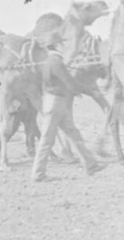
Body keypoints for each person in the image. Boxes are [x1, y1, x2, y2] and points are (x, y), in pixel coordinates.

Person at [29, 15, 104, 182]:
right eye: (62, 43)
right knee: (47, 140)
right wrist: (85, 89)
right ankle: (37, 174)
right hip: (56, 103)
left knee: (74, 134)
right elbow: (69, 82)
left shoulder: (49, 61)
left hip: (55, 103)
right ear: (57, 45)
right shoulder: (56, 62)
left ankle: (91, 164)